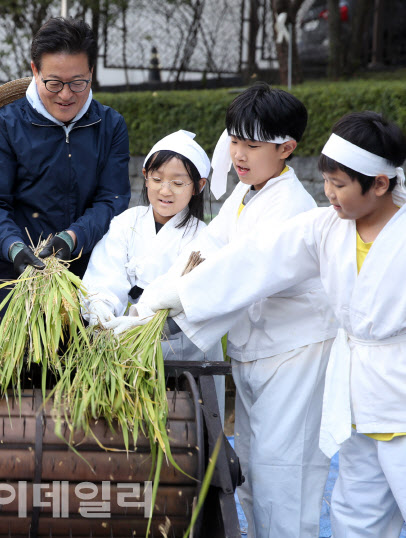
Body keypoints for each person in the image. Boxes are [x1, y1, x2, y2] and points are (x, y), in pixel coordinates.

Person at [131, 111, 406, 537]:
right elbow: (253, 261)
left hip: (393, 391)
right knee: (356, 514)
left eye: (339, 185)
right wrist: (179, 295)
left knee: (285, 481)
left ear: (380, 184)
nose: (328, 195)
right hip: (355, 397)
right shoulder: (324, 228)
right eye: (327, 182)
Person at [110, 83, 338, 538]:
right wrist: (142, 311)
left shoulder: (289, 206)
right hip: (258, 354)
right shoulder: (246, 194)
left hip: (295, 356)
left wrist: (162, 310)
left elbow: (238, 275)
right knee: (253, 474)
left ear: (287, 148)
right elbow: (205, 252)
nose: (239, 154)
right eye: (234, 141)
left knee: (283, 481)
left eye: (252, 146)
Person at [0, 17, 130, 334]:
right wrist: (14, 248)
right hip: (13, 270)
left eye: (78, 82)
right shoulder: (4, 124)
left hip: (89, 269)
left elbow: (112, 200)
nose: (66, 95)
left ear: (91, 74)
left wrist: (73, 238)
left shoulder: (109, 125)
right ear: (34, 70)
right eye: (53, 83)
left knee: (83, 372)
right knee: (23, 372)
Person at [82, 130, 224, 414]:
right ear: (145, 176)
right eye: (157, 179)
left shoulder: (204, 238)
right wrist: (101, 313)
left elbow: (194, 301)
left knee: (186, 427)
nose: (165, 190)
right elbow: (104, 276)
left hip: (184, 353)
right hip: (125, 349)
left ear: (198, 185)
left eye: (178, 182)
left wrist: (141, 323)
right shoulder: (126, 223)